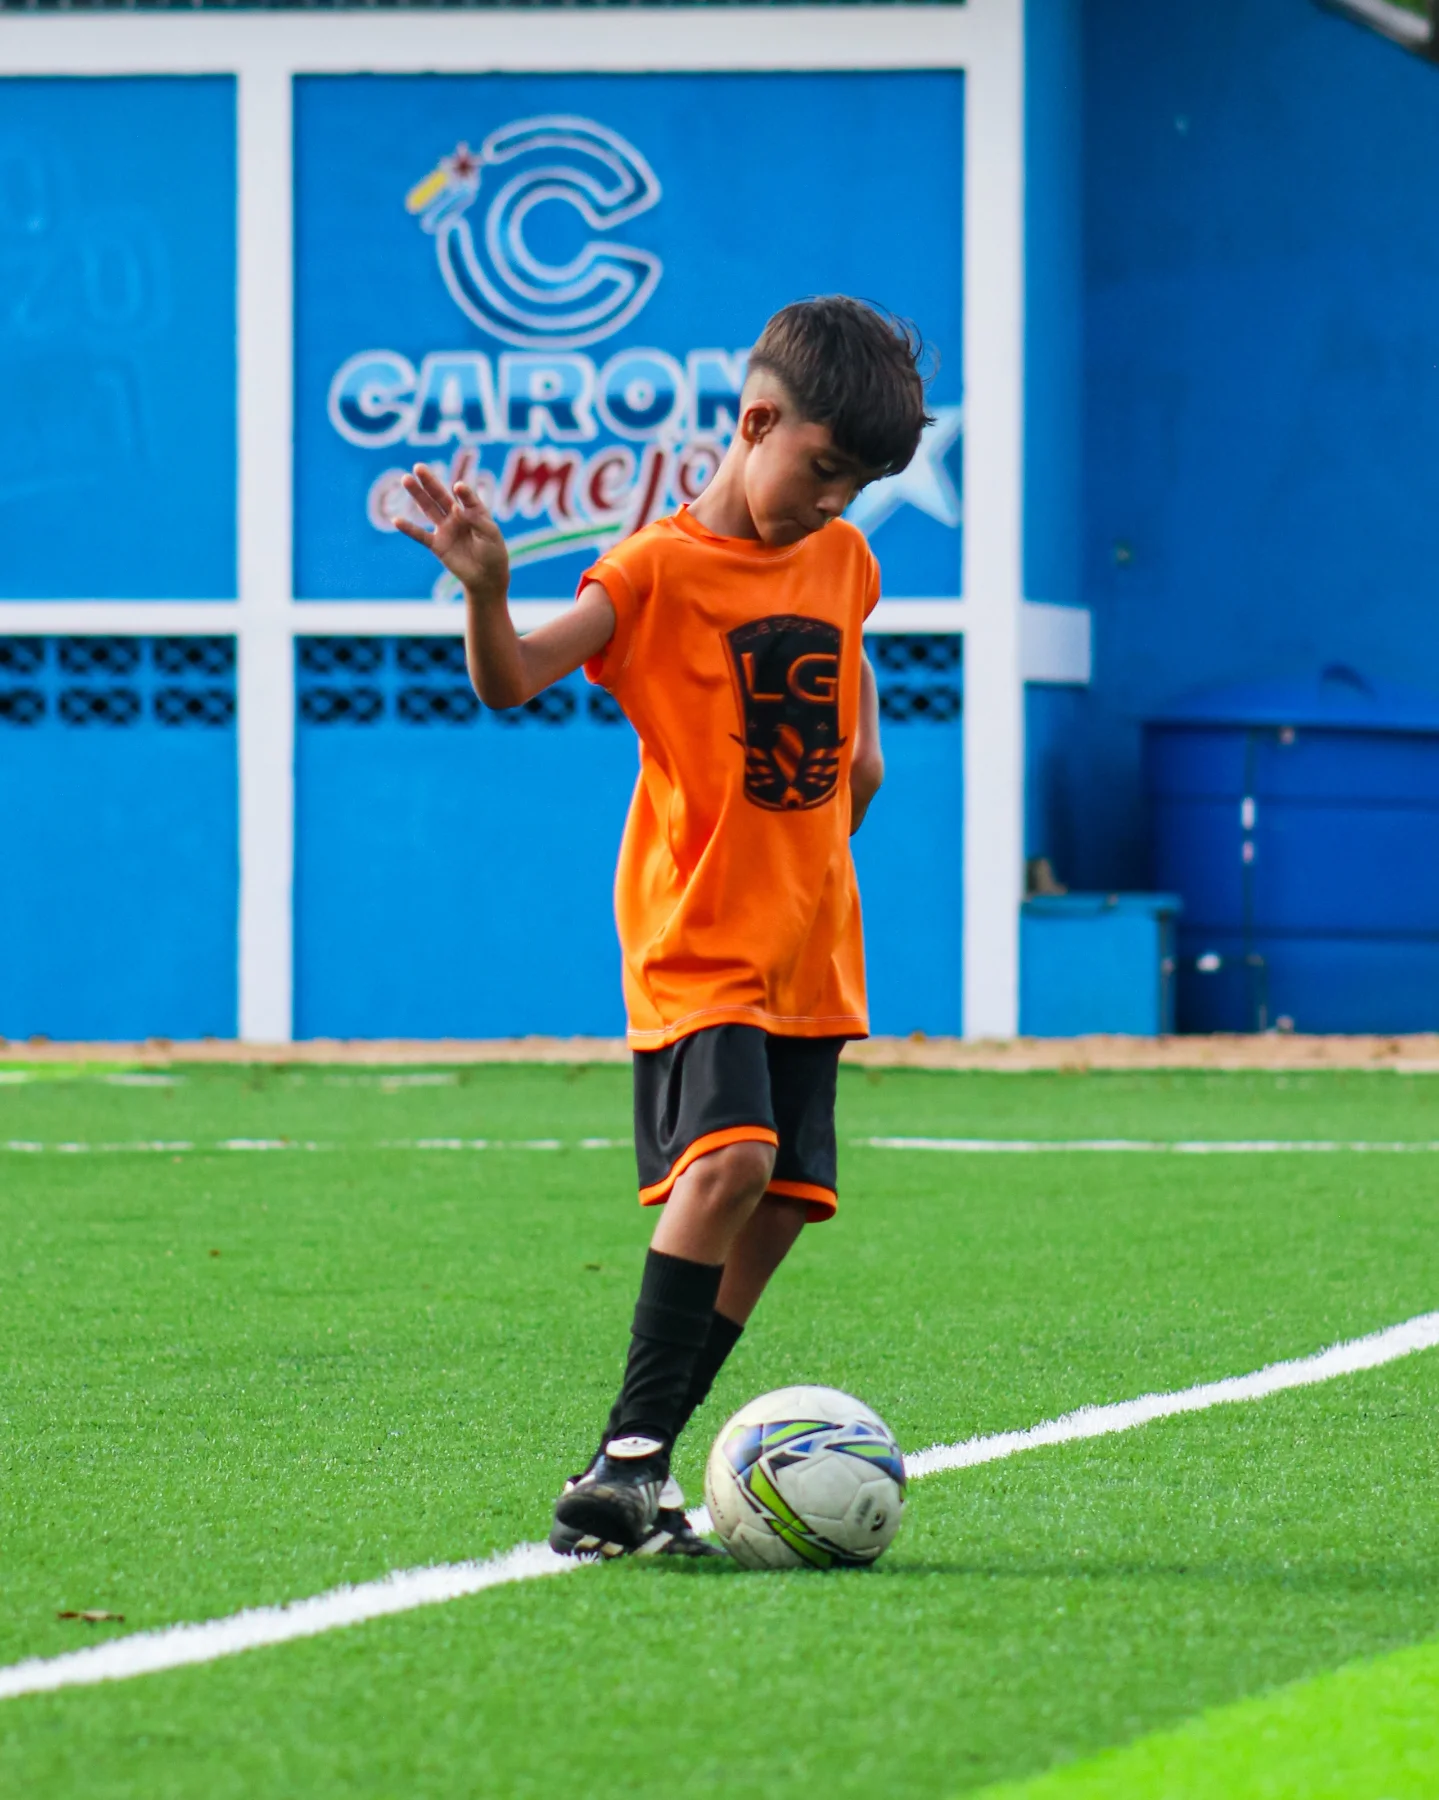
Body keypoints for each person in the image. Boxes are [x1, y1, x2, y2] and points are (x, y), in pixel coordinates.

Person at [397, 296, 931, 1558]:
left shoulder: (844, 564)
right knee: (732, 1165)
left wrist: (848, 788)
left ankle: (627, 1476)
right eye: (823, 468)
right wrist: (486, 590)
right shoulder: (651, 572)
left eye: (855, 483)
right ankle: (633, 1455)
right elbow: (511, 675)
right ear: (757, 422)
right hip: (698, 942)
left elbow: (852, 731)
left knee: (788, 1199)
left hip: (813, 946)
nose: (835, 501)